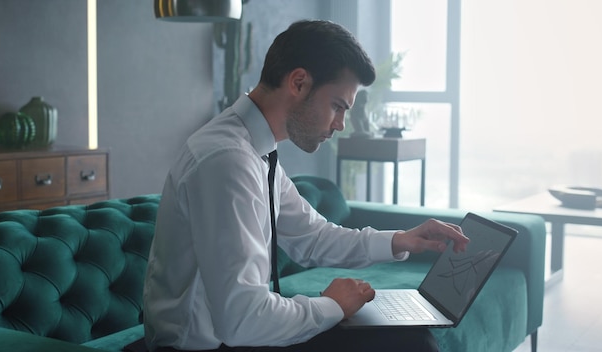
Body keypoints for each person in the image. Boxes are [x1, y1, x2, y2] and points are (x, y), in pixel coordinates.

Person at [143, 20, 469, 352]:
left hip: (235, 335)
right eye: (338, 106)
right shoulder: (228, 161)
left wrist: (402, 240)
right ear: (299, 82)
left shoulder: (255, 149)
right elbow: (242, 319)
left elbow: (312, 237)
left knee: (406, 336)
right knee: (409, 343)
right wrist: (333, 306)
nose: (340, 125)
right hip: (206, 346)